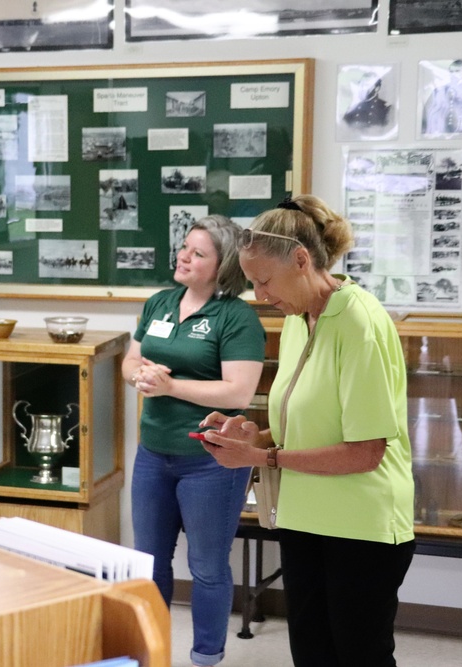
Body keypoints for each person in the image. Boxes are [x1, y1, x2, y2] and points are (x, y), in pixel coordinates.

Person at [200, 195, 415, 667]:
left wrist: (263, 460)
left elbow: (365, 452)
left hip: (363, 527)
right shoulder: (297, 318)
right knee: (312, 655)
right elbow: (306, 430)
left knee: (359, 656)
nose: (259, 295)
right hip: (303, 520)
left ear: (301, 260)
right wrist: (252, 439)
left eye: (263, 281)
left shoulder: (359, 320)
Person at [122, 215, 265, 667]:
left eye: (198, 253)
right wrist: (140, 375)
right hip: (153, 455)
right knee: (150, 563)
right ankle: (152, 653)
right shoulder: (159, 303)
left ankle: (206, 656)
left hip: (212, 461)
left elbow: (238, 392)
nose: (183, 256)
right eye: (184, 247)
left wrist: (170, 386)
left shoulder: (237, 317)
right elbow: (130, 361)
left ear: (222, 266)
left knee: (206, 567)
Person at [422, 59, 462, 136]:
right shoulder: (438, 94)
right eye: (453, 73)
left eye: (460, 73)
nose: (457, 77)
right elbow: (427, 129)